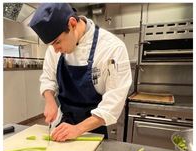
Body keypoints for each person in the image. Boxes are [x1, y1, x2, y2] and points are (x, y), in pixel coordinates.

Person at [29, 3, 132, 141]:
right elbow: (48, 78)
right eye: (51, 45)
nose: (55, 50)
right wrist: (50, 100)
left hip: (93, 127)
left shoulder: (112, 48)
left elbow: (112, 105)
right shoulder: (55, 48)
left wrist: (78, 129)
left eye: (57, 42)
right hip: (64, 123)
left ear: (72, 24)